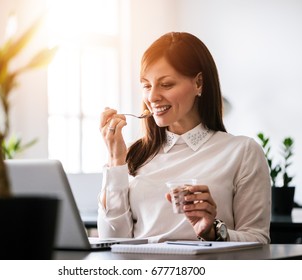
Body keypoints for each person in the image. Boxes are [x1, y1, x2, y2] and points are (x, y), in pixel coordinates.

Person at [98, 32, 271, 244]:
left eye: (166, 84)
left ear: (198, 83)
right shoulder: (134, 155)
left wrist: (214, 232)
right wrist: (116, 160)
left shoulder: (242, 152)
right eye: (146, 85)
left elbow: (258, 241)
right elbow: (112, 240)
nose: (152, 97)